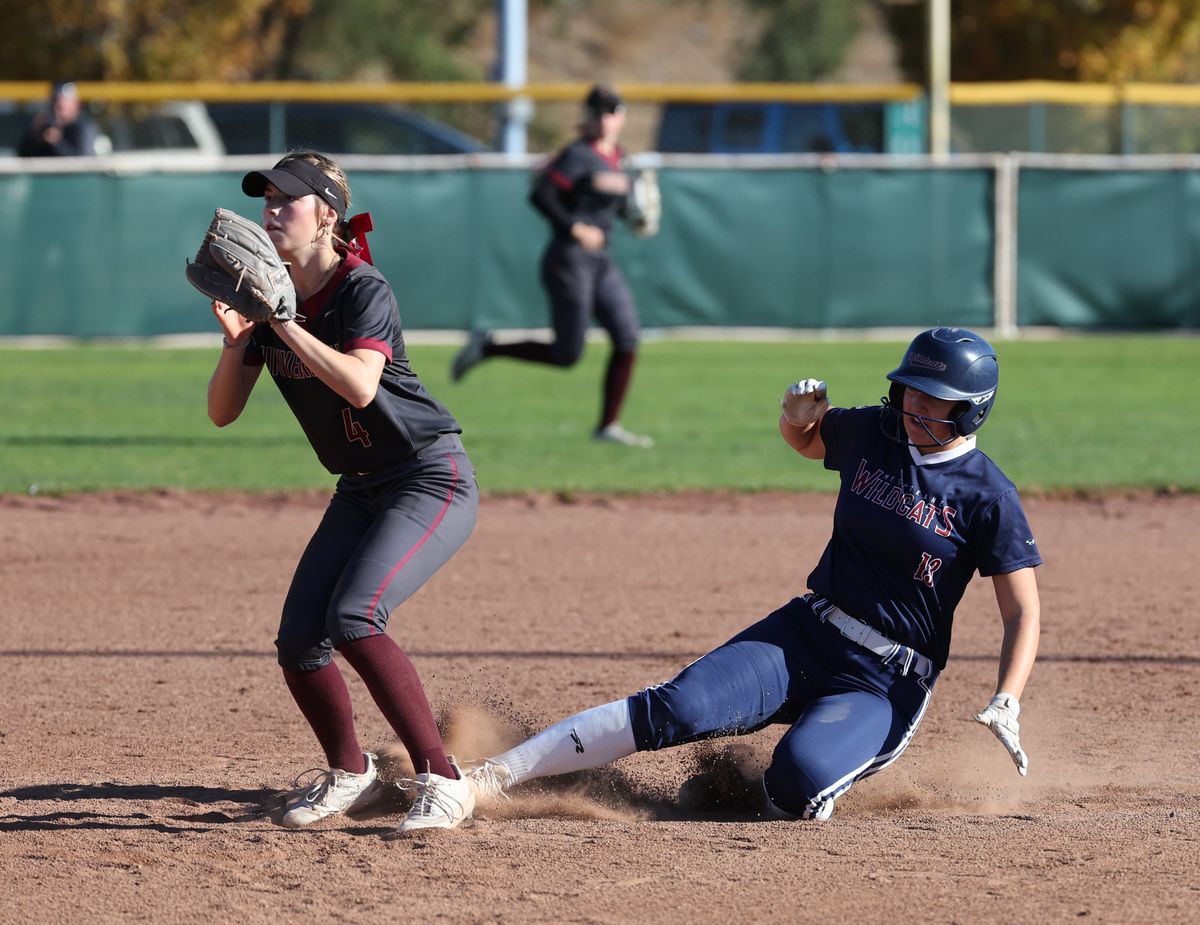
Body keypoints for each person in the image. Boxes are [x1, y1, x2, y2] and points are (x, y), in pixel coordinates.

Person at [466, 328, 1042, 820]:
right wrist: (794, 419)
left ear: (970, 408)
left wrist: (1007, 698)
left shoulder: (988, 497)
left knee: (799, 783)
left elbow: (1022, 611)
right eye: (909, 391)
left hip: (884, 681)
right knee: (679, 707)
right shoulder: (874, 431)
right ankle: (485, 779)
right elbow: (810, 442)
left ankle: (743, 790)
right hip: (808, 632)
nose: (914, 407)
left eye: (933, 400)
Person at [205, 151, 478, 833]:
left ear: (326, 214)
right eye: (265, 199)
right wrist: (238, 340)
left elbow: (360, 385)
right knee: (300, 637)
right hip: (359, 487)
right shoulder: (266, 302)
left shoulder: (363, 288)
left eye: (287, 200)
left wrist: (282, 322)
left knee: (353, 616)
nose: (271, 211)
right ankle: (351, 771)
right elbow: (221, 411)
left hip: (427, 475)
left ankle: (443, 780)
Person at [450, 84, 653, 448]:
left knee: (627, 338)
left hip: (599, 261)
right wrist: (575, 227)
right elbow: (541, 194)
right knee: (567, 354)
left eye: (611, 112)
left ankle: (608, 426)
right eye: (598, 113)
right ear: (588, 119)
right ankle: (488, 346)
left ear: (621, 117)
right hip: (569, 260)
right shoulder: (577, 155)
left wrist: (634, 214)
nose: (605, 120)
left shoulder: (619, 158)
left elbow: (608, 206)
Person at [18, 81, 100, 158]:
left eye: (63, 105)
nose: (58, 108)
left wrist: (57, 143)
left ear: (77, 104)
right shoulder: (46, 124)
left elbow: (83, 162)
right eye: (56, 102)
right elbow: (24, 156)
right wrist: (35, 134)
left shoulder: (85, 127)